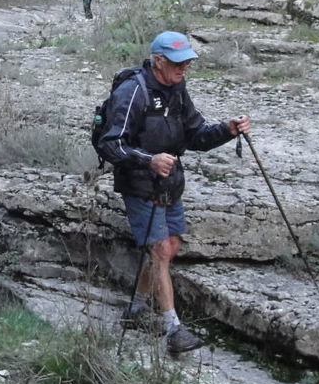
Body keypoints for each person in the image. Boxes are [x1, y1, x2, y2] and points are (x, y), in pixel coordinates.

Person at [97, 31, 250, 355]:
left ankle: (137, 307)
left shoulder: (177, 90)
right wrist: (148, 160)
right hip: (139, 183)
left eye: (187, 63)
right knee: (161, 250)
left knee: (171, 246)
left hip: (170, 181)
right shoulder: (132, 91)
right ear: (158, 61)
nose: (184, 68)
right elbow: (111, 144)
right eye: (178, 63)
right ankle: (174, 329)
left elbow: (196, 136)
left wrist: (227, 130)